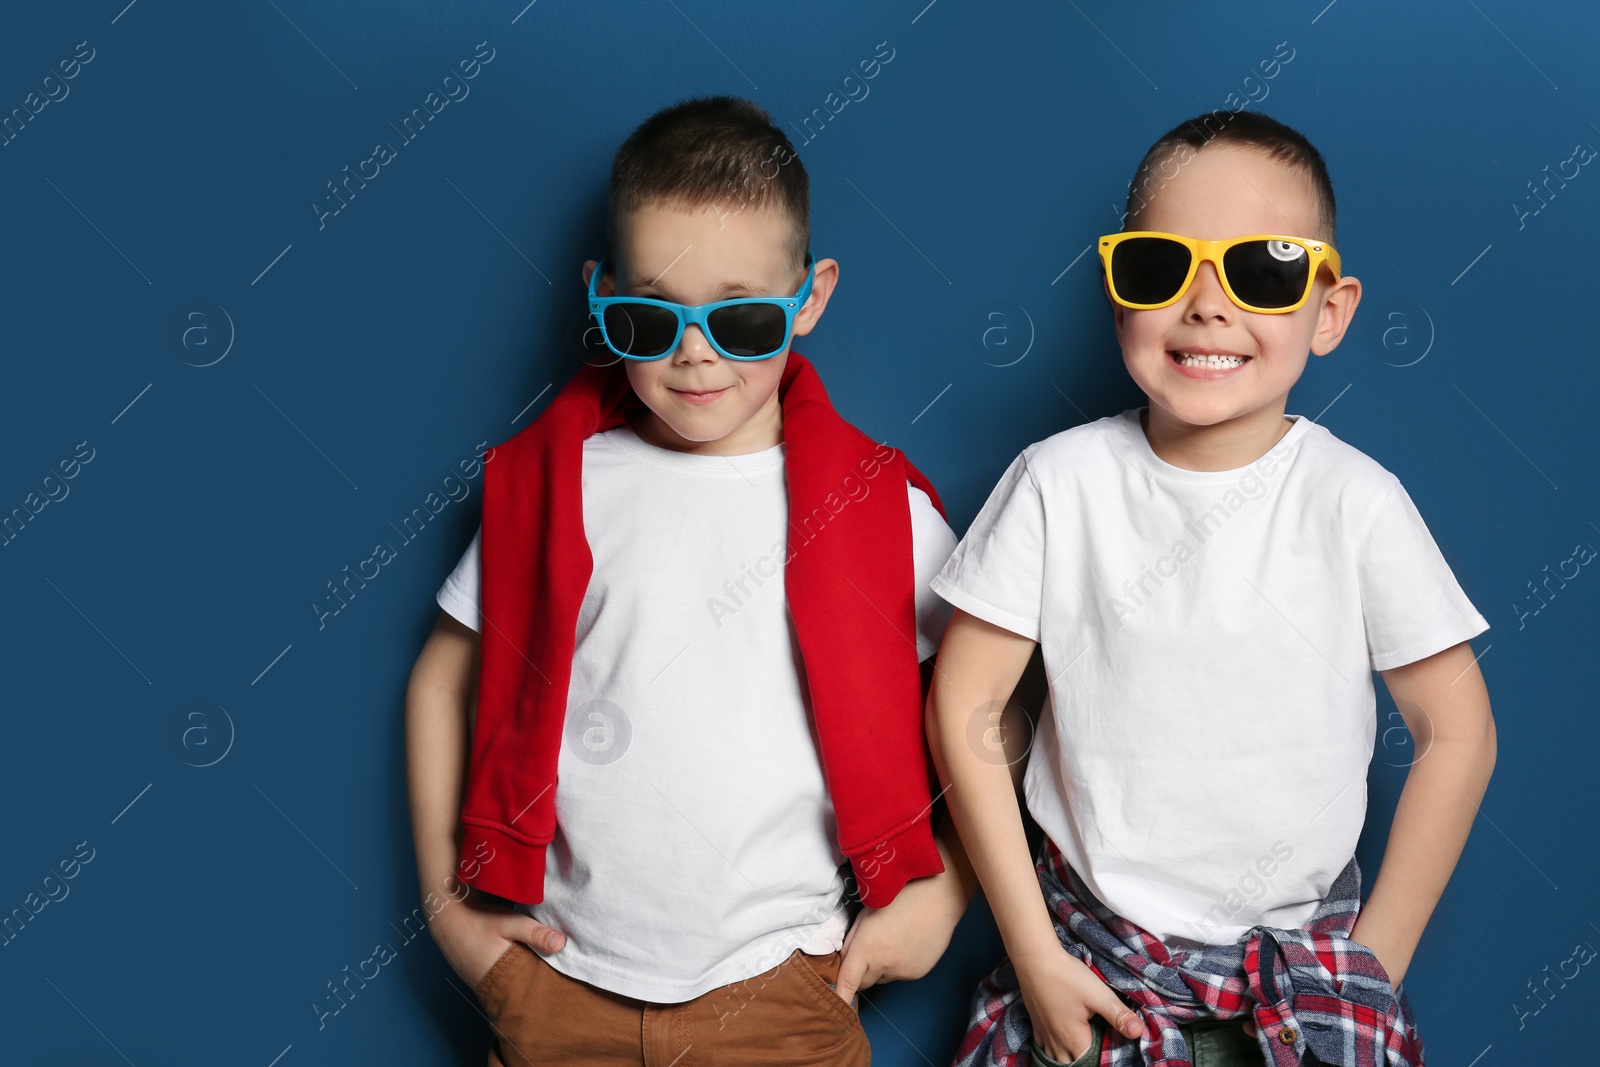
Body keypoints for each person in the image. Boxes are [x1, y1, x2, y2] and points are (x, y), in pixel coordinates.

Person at [404, 95, 978, 1067]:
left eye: (743, 315)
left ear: (811, 294)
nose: (693, 352)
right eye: (647, 314)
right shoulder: (559, 482)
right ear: (600, 295)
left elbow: (989, 701)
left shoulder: (879, 506)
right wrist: (448, 915)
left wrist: (946, 891)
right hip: (559, 985)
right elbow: (440, 680)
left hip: (781, 986)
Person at [927, 111, 1495, 1067]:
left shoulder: (1354, 501)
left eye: (1261, 270)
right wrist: (1031, 953)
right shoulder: (1057, 482)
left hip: (1296, 992)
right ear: (1117, 299)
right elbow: (969, 702)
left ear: (1329, 310)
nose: (1206, 305)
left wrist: (1369, 972)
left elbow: (1458, 730)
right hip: (1089, 974)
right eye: (1160, 268)